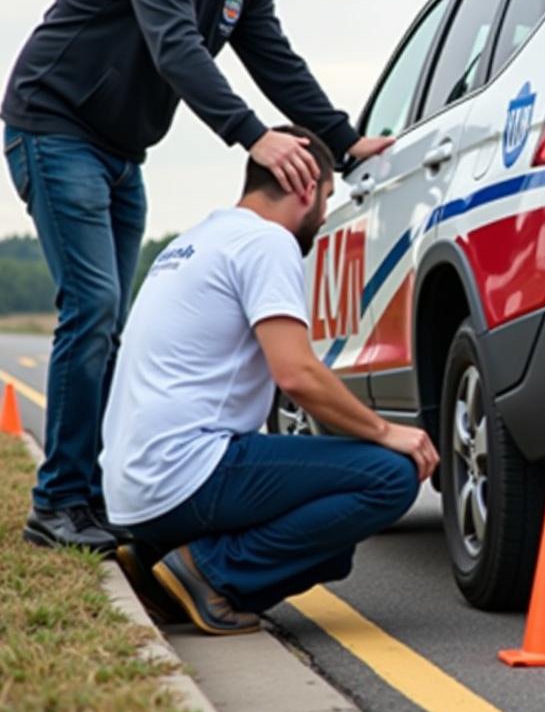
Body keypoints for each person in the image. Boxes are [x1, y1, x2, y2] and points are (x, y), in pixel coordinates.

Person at [2, 0, 391, 553]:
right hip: (53, 128)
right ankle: (58, 504)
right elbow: (176, 48)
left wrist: (347, 140)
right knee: (90, 309)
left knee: (112, 320)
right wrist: (253, 137)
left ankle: (92, 496)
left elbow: (275, 59)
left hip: (122, 152)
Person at [99, 125, 438, 633]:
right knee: (388, 476)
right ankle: (208, 573)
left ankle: (161, 564)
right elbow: (297, 374)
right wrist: (388, 432)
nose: (324, 215)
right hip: (185, 474)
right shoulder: (267, 242)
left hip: (133, 490)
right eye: (326, 197)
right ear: (305, 187)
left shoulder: (195, 240)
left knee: (331, 550)